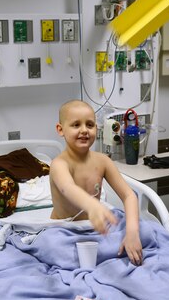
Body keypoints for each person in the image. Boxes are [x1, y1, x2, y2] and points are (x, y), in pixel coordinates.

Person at [49, 99, 143, 265]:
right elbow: (67, 188)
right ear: (60, 129)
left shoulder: (103, 162)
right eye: (76, 125)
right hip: (65, 232)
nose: (84, 130)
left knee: (147, 232)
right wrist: (92, 206)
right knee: (50, 249)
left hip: (96, 230)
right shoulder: (59, 164)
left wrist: (132, 233)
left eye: (90, 125)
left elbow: (129, 196)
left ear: (96, 129)